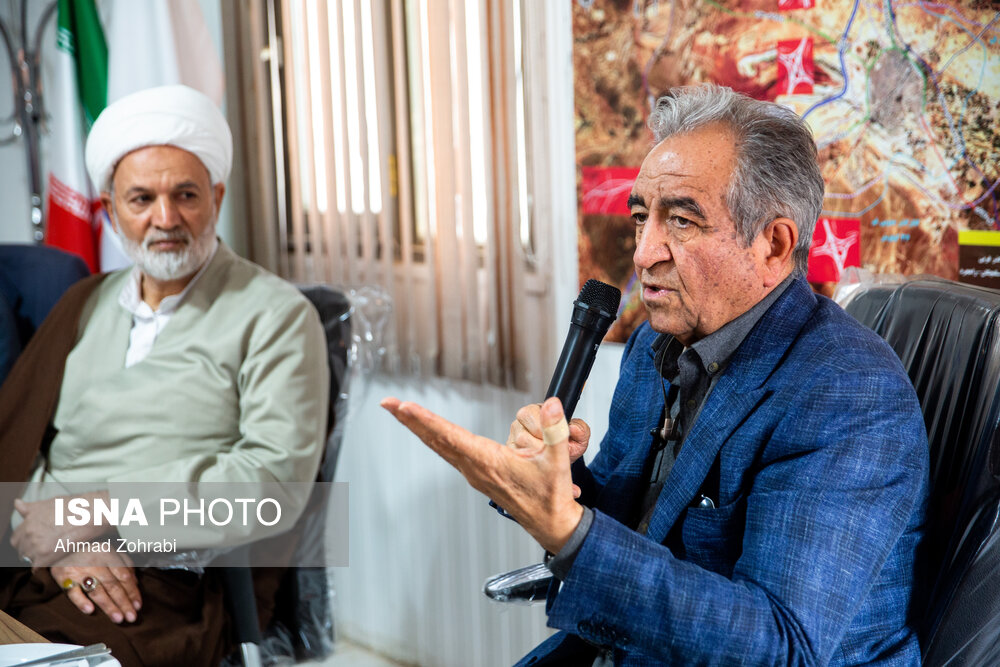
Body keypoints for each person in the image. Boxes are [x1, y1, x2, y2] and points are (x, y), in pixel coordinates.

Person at [382, 84, 929, 665]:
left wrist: (571, 534)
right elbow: (628, 522)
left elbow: (780, 646)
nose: (644, 253)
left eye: (683, 221)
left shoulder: (848, 392)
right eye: (642, 217)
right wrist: (559, 481)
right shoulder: (654, 344)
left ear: (773, 245)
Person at [0, 84, 329, 666]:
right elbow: (19, 449)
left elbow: (273, 484)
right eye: (142, 199)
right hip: (48, 561)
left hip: (164, 579)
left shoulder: (275, 315)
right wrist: (56, 543)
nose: (166, 218)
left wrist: (95, 515)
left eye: (186, 195)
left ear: (216, 197)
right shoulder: (83, 304)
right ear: (109, 210)